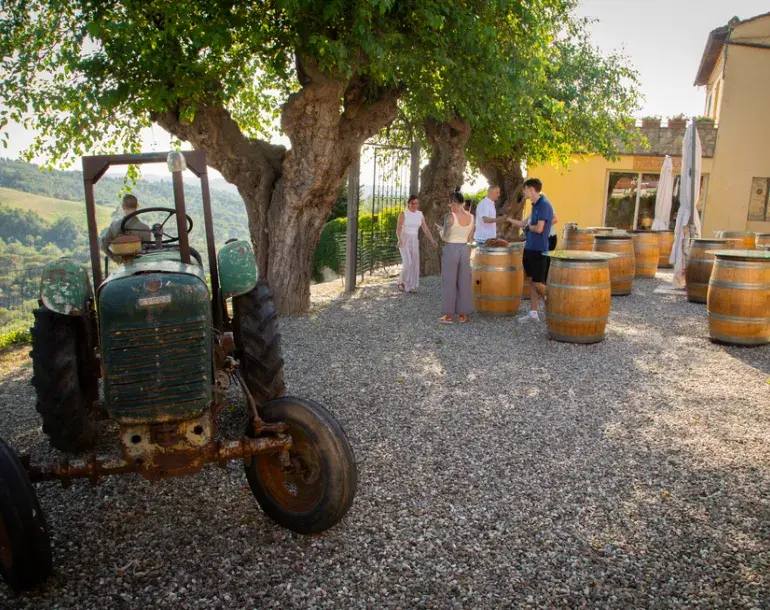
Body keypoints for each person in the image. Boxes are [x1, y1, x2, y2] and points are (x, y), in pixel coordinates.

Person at [510, 178, 554, 322]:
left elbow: (540, 229)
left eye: (524, 189)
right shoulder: (535, 205)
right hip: (529, 247)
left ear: (530, 189)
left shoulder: (544, 205)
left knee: (538, 283)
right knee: (532, 281)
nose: (523, 193)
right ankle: (533, 313)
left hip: (539, 250)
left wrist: (529, 227)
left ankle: (558, 304)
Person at [435, 188, 475, 324]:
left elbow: (445, 237)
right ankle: (463, 315)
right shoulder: (471, 217)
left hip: (451, 249)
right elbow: (469, 238)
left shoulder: (450, 217)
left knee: (449, 281)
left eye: (450, 204)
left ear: (453, 203)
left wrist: (440, 231)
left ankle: (448, 316)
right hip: (464, 249)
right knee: (464, 281)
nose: (449, 206)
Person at [396, 195, 437, 293]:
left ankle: (410, 286)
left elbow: (425, 229)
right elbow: (399, 228)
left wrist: (432, 240)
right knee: (408, 263)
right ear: (409, 203)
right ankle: (401, 282)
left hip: (415, 240)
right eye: (413, 203)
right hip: (404, 239)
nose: (415, 205)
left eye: (416, 203)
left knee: (414, 263)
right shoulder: (403, 213)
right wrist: (399, 239)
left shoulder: (420, 214)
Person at [100, 194, 152, 262]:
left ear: (123, 207)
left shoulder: (114, 226)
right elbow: (148, 253)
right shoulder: (144, 228)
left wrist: (118, 260)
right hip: (140, 266)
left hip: (123, 266)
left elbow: (104, 247)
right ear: (137, 206)